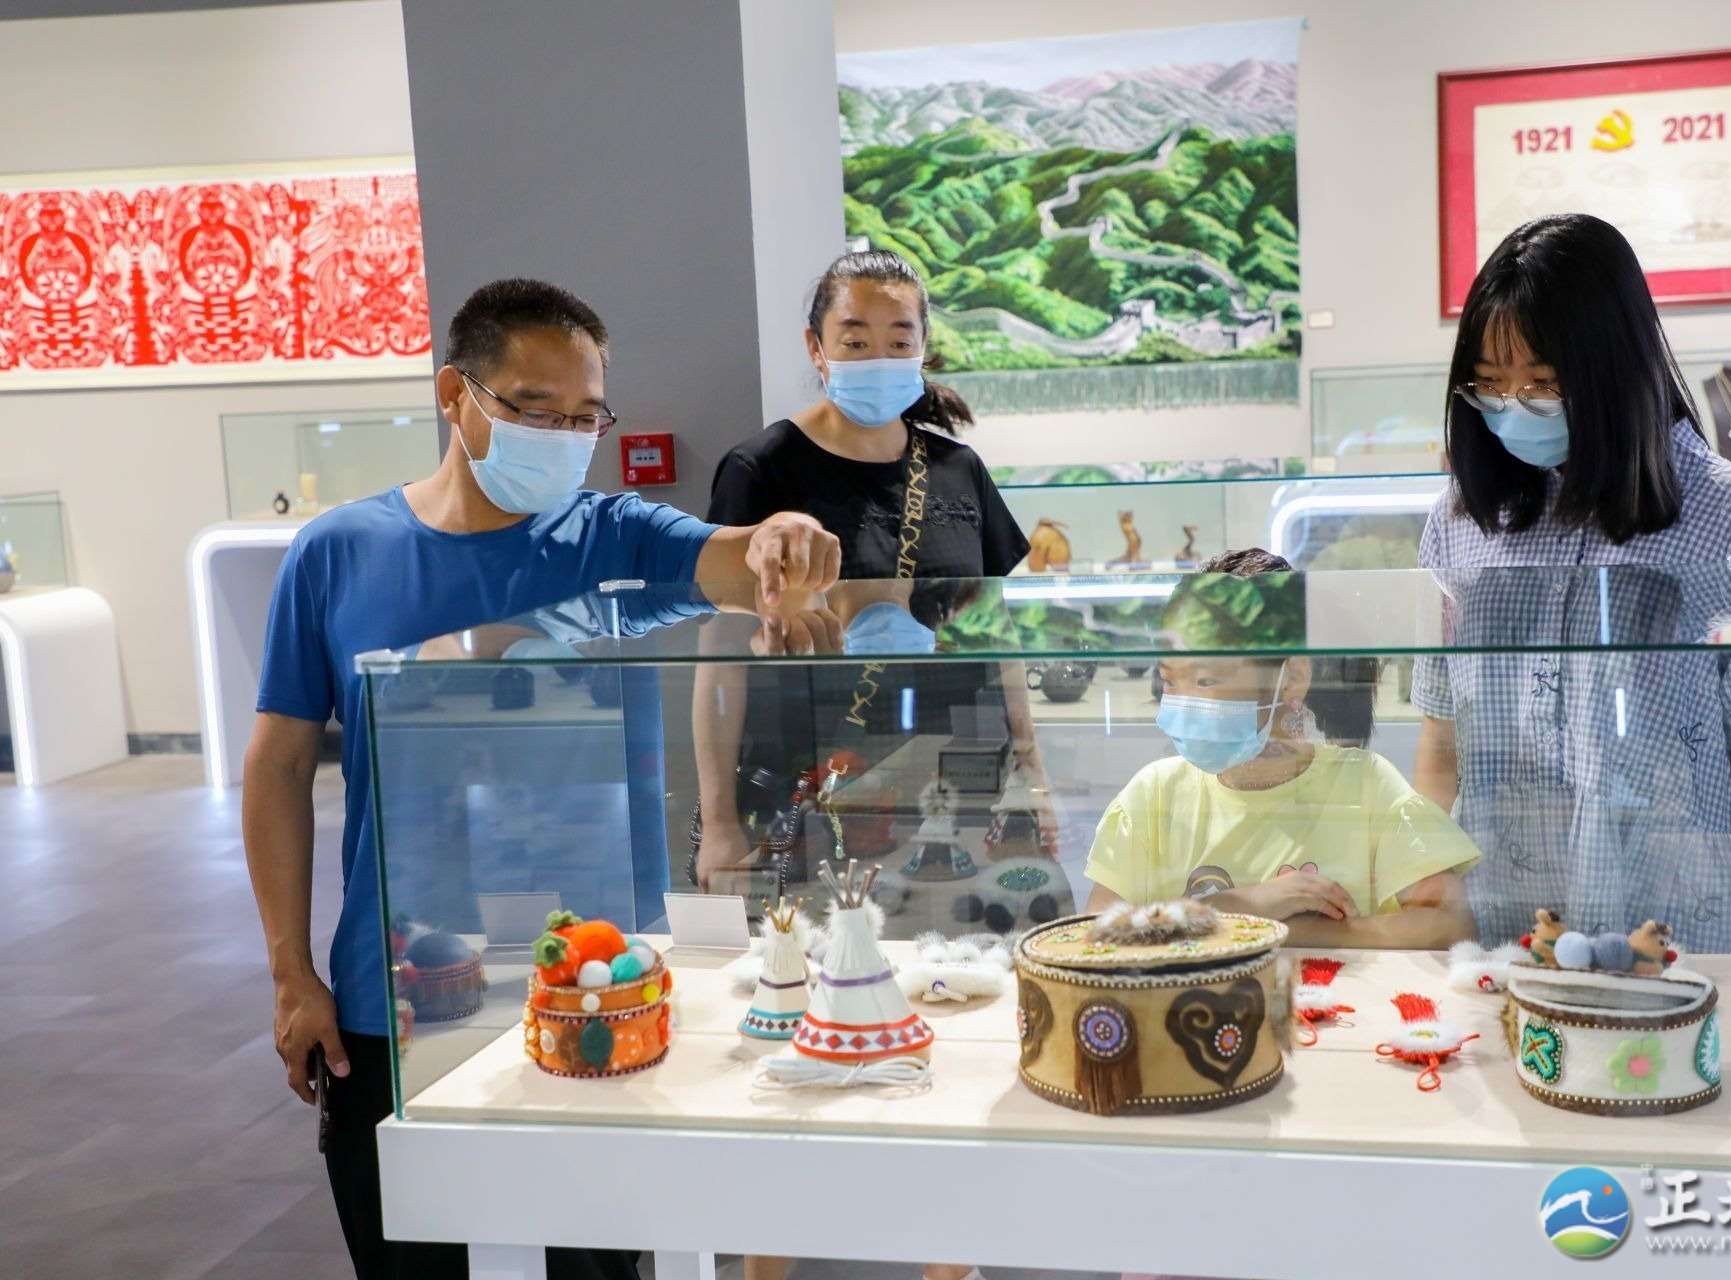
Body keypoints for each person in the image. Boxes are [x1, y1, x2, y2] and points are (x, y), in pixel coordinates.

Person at [242, 278, 841, 1280]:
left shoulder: (612, 536)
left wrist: (783, 537)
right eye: (535, 409)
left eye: (584, 416)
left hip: (594, 982)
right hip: (403, 986)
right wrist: (289, 972)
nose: (564, 437)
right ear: (456, 395)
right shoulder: (337, 553)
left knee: (590, 1259)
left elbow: (736, 562)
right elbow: (279, 763)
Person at [1409, 213, 1731, 954]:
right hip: (1506, 914)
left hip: (1672, 922)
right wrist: (1428, 893)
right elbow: (1441, 741)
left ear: (1613, 367)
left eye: (1543, 383)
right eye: (1489, 385)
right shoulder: (1464, 519)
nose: (1513, 407)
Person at [691, 250, 1050, 925]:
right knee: (811, 963)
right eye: (855, 341)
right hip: (807, 789)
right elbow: (720, 658)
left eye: (898, 340)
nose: (877, 357)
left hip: (955, 781)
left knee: (958, 957)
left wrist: (1032, 769)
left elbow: (995, 632)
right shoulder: (761, 470)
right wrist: (719, 822)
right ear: (816, 346)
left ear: (923, 348)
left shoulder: (958, 469)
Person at [1084, 549, 1480, 948]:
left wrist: (1282, 930)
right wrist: (1243, 908)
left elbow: (1450, 924)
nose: (1183, 702)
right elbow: (1092, 938)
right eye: (1170, 681)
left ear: (1291, 679)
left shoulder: (1366, 786)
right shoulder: (1153, 795)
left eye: (1205, 681)